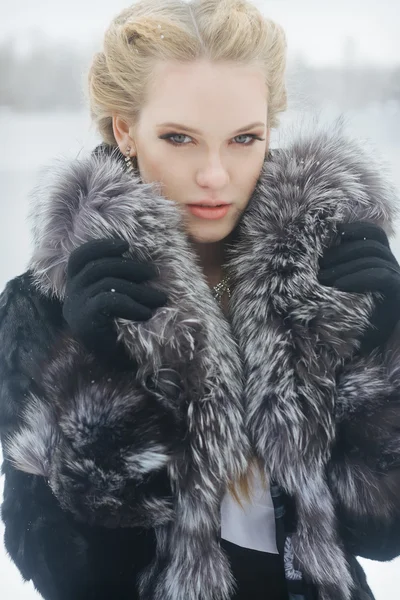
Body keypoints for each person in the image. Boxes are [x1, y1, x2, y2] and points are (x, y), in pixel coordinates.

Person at [1, 0, 400, 599]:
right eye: (180, 138)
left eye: (244, 138)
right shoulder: (44, 305)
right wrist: (101, 376)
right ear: (124, 129)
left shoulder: (331, 278)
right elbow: (66, 573)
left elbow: (383, 536)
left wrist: (381, 358)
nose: (215, 174)